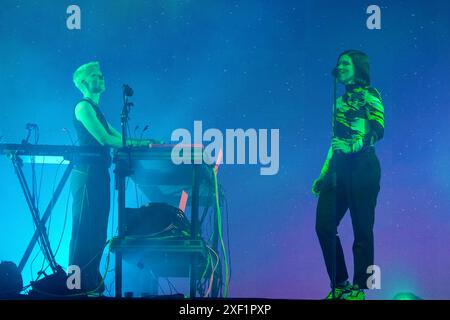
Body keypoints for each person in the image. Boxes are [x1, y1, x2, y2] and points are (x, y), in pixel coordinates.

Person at [69, 61, 155, 294]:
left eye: (101, 74)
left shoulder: (96, 109)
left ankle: (90, 283)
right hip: (86, 175)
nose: (102, 78)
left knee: (97, 230)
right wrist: (140, 143)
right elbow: (105, 139)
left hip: (97, 174)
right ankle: (75, 287)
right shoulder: (83, 107)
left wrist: (145, 143)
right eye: (96, 76)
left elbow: (118, 136)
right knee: (83, 231)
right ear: (84, 82)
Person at [312, 50, 385, 300]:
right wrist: (323, 173)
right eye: (339, 63)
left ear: (357, 67)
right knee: (323, 224)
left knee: (362, 226)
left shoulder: (371, 95)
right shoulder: (339, 103)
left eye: (345, 62)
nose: (340, 66)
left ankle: (359, 288)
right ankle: (340, 283)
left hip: (363, 165)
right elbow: (335, 142)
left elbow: (377, 130)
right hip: (339, 168)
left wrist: (351, 147)